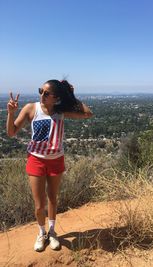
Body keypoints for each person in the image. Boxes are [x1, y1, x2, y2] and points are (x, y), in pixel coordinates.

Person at [6, 79, 93, 252]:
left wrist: (71, 95)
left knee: (53, 199)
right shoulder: (31, 108)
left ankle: (52, 233)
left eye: (46, 93)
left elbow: (87, 113)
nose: (41, 95)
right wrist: (11, 113)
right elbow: (11, 133)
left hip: (56, 160)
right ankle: (41, 232)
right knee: (39, 205)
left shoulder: (61, 111)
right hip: (36, 159)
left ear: (56, 97)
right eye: (41, 91)